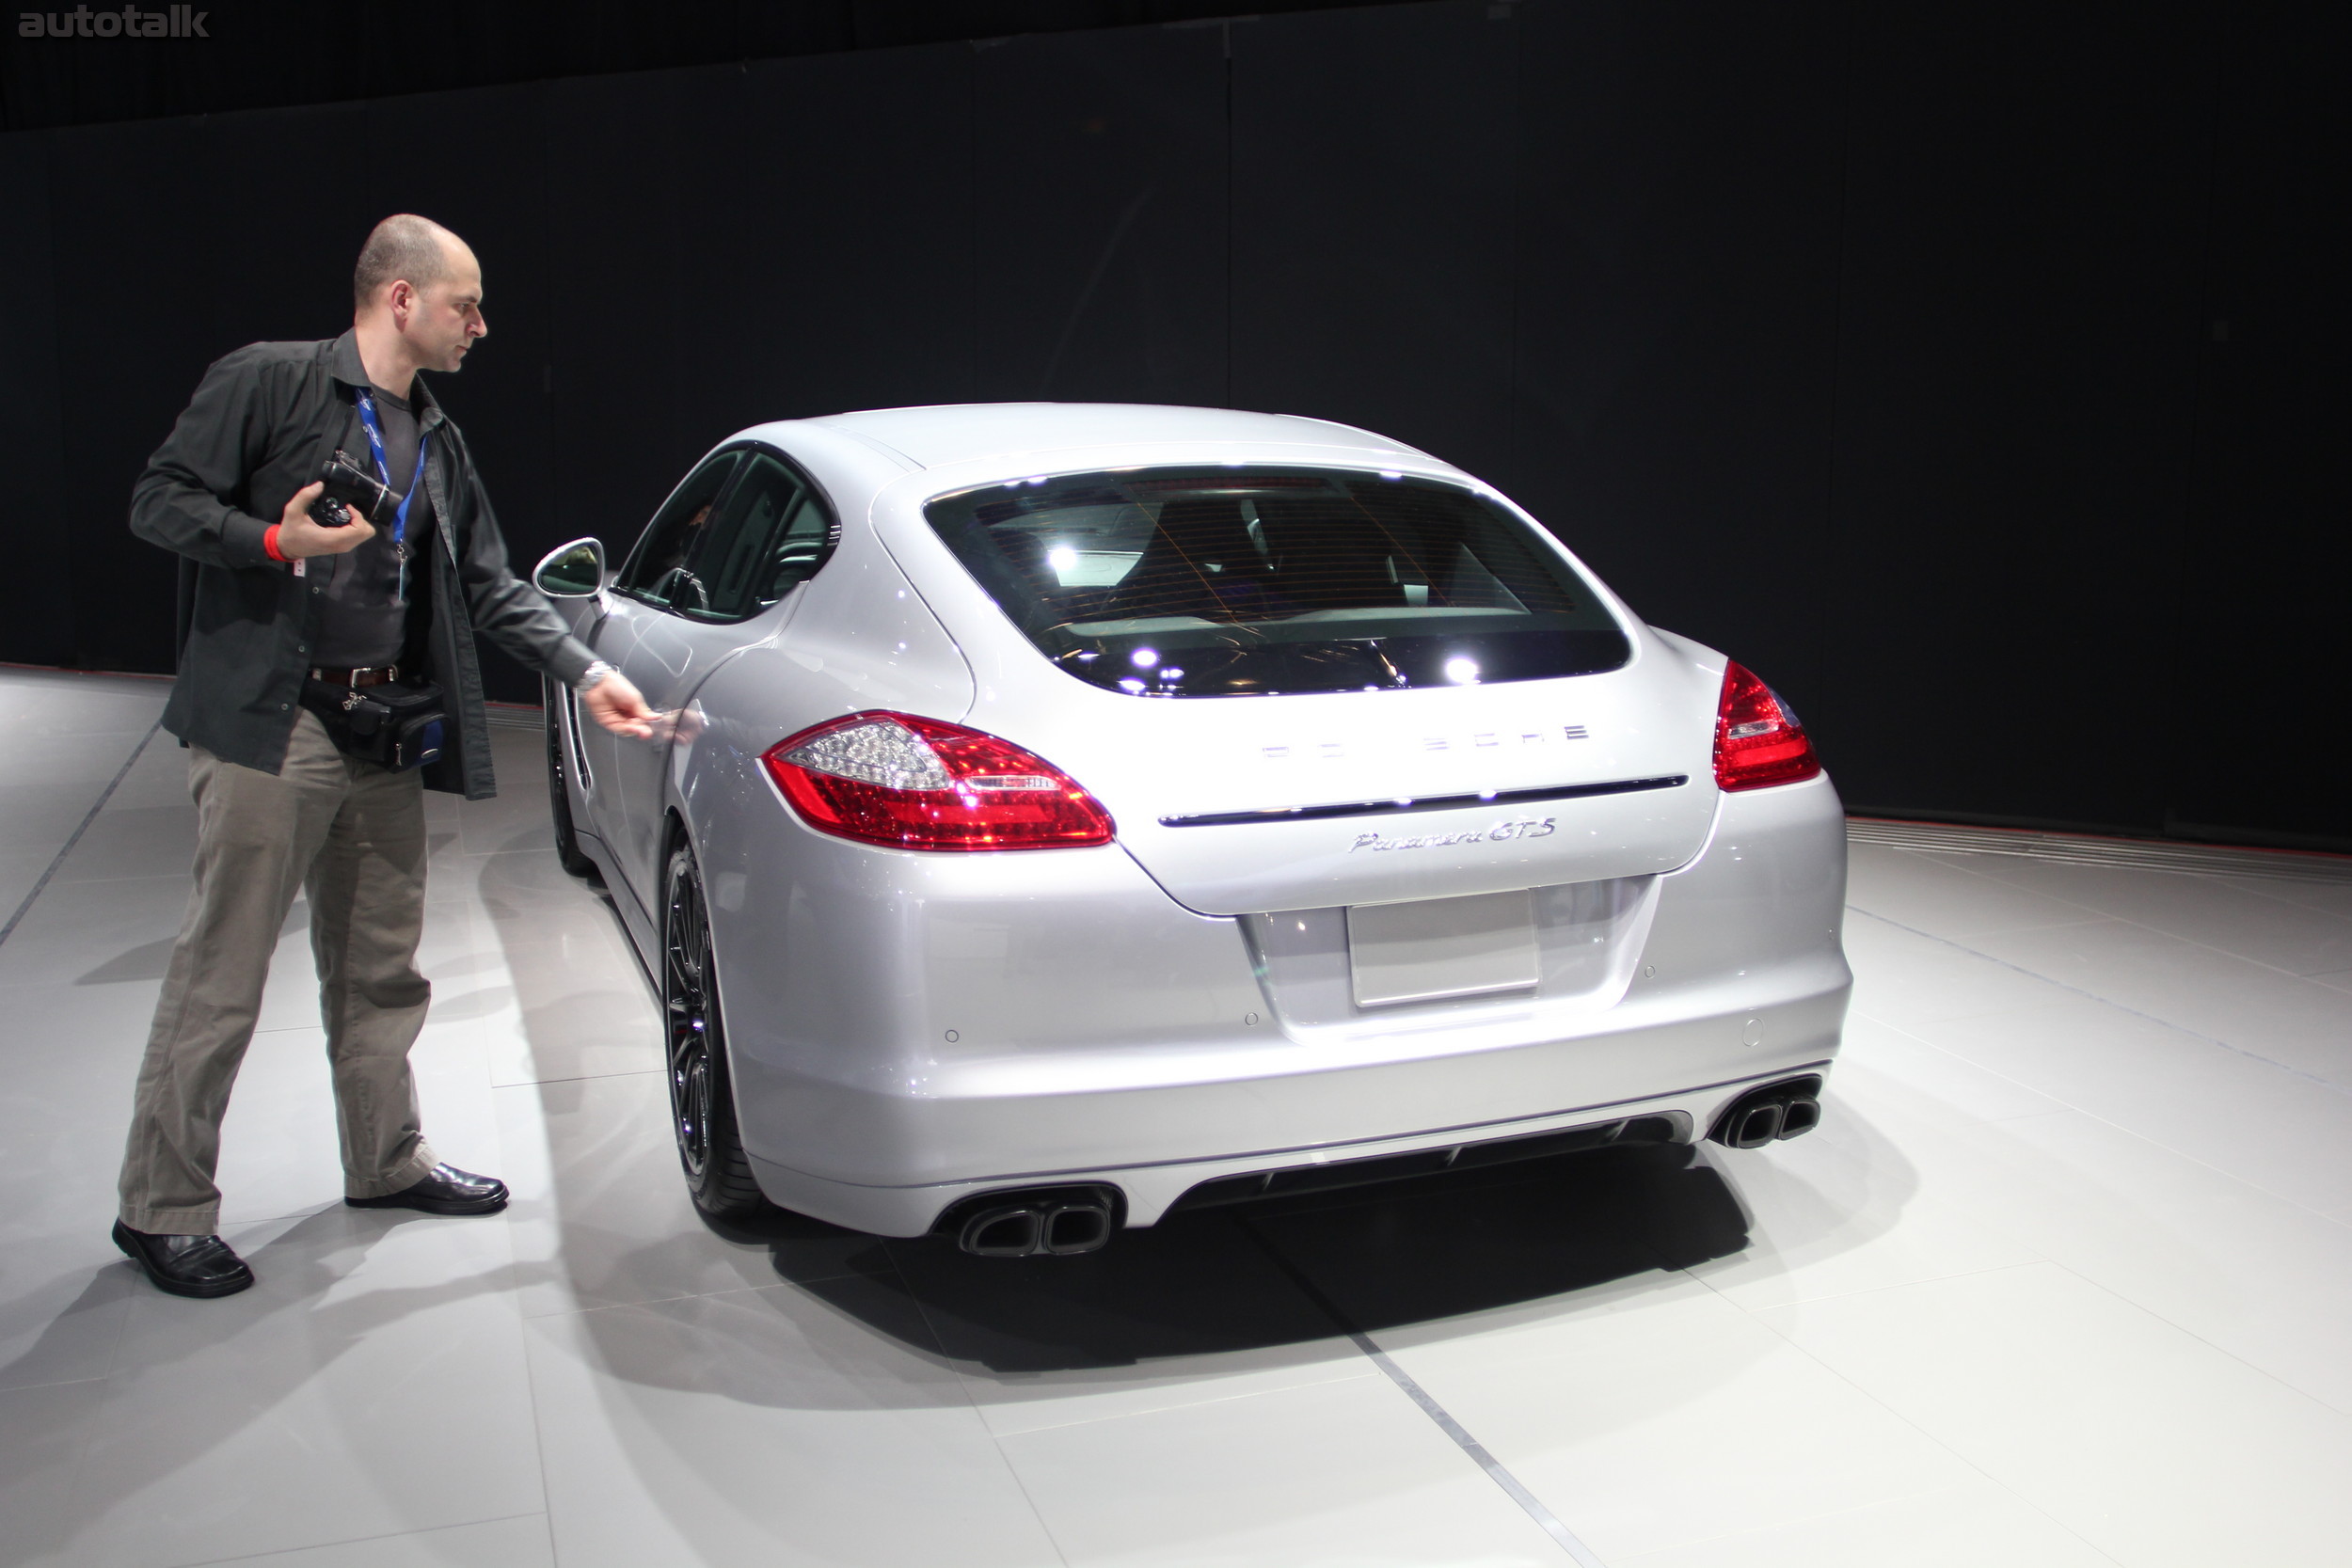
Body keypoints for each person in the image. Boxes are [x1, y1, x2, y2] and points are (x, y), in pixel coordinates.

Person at [113, 214, 656, 1298]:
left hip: (380, 724)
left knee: (380, 967)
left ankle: (385, 1158)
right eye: (466, 304)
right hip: (273, 722)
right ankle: (161, 1206)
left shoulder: (436, 438)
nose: (481, 325)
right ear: (401, 298)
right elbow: (158, 500)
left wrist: (584, 670)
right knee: (223, 974)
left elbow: (491, 583)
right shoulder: (268, 382)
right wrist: (274, 540)